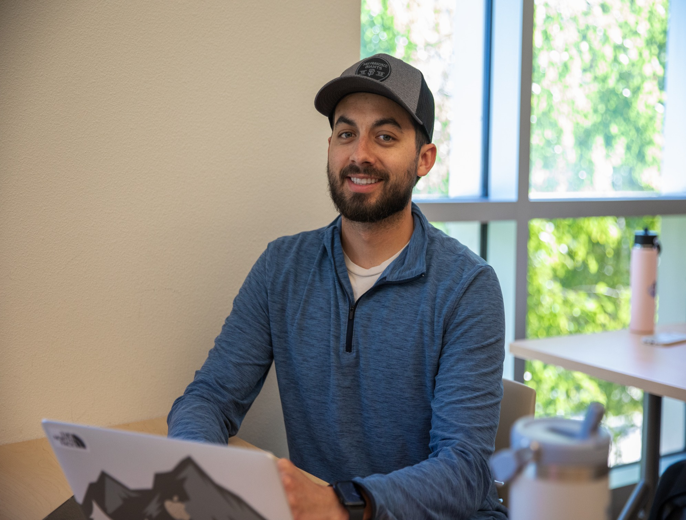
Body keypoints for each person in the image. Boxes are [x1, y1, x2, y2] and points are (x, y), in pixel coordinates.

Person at [167, 53, 507, 520]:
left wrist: (341, 502)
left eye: (385, 136)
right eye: (347, 134)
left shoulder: (468, 287)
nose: (360, 154)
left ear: (424, 159)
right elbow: (209, 398)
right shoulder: (281, 268)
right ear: (330, 146)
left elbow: (466, 470)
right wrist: (200, 469)